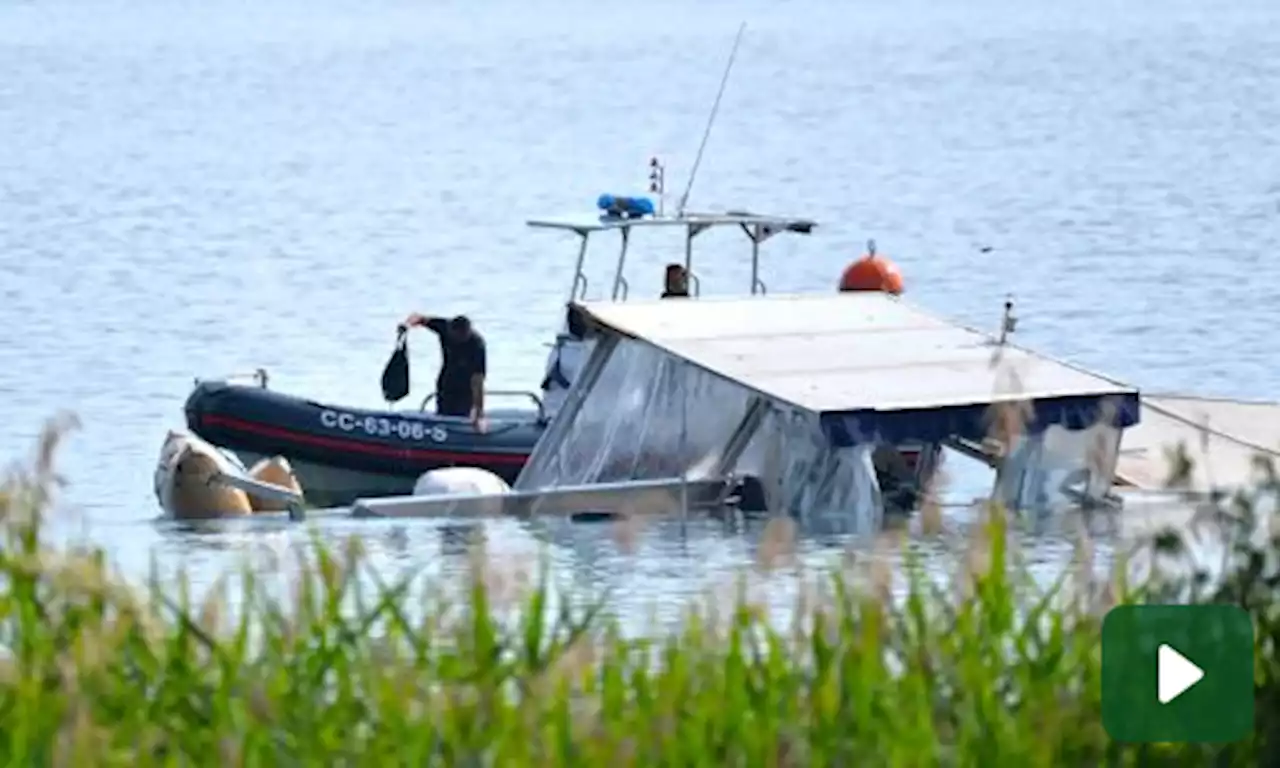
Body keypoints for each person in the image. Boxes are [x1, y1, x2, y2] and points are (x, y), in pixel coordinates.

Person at [399, 312, 486, 428]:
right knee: (443, 416)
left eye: (462, 337)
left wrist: (479, 412)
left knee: (460, 419)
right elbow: (419, 318)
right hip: (446, 382)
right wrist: (406, 325)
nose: (459, 340)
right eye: (456, 336)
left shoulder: (477, 345)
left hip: (465, 388)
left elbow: (478, 380)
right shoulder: (444, 327)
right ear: (451, 330)